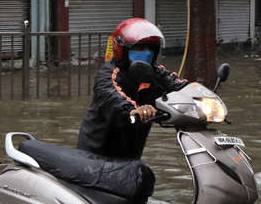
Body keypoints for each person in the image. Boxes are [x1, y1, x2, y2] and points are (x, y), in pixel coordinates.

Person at [77, 18, 188, 160]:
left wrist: (202, 96)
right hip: (97, 155)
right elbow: (112, 97)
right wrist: (133, 110)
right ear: (123, 49)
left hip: (131, 156)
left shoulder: (155, 72)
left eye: (150, 48)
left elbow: (177, 84)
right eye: (140, 48)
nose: (146, 53)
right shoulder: (109, 74)